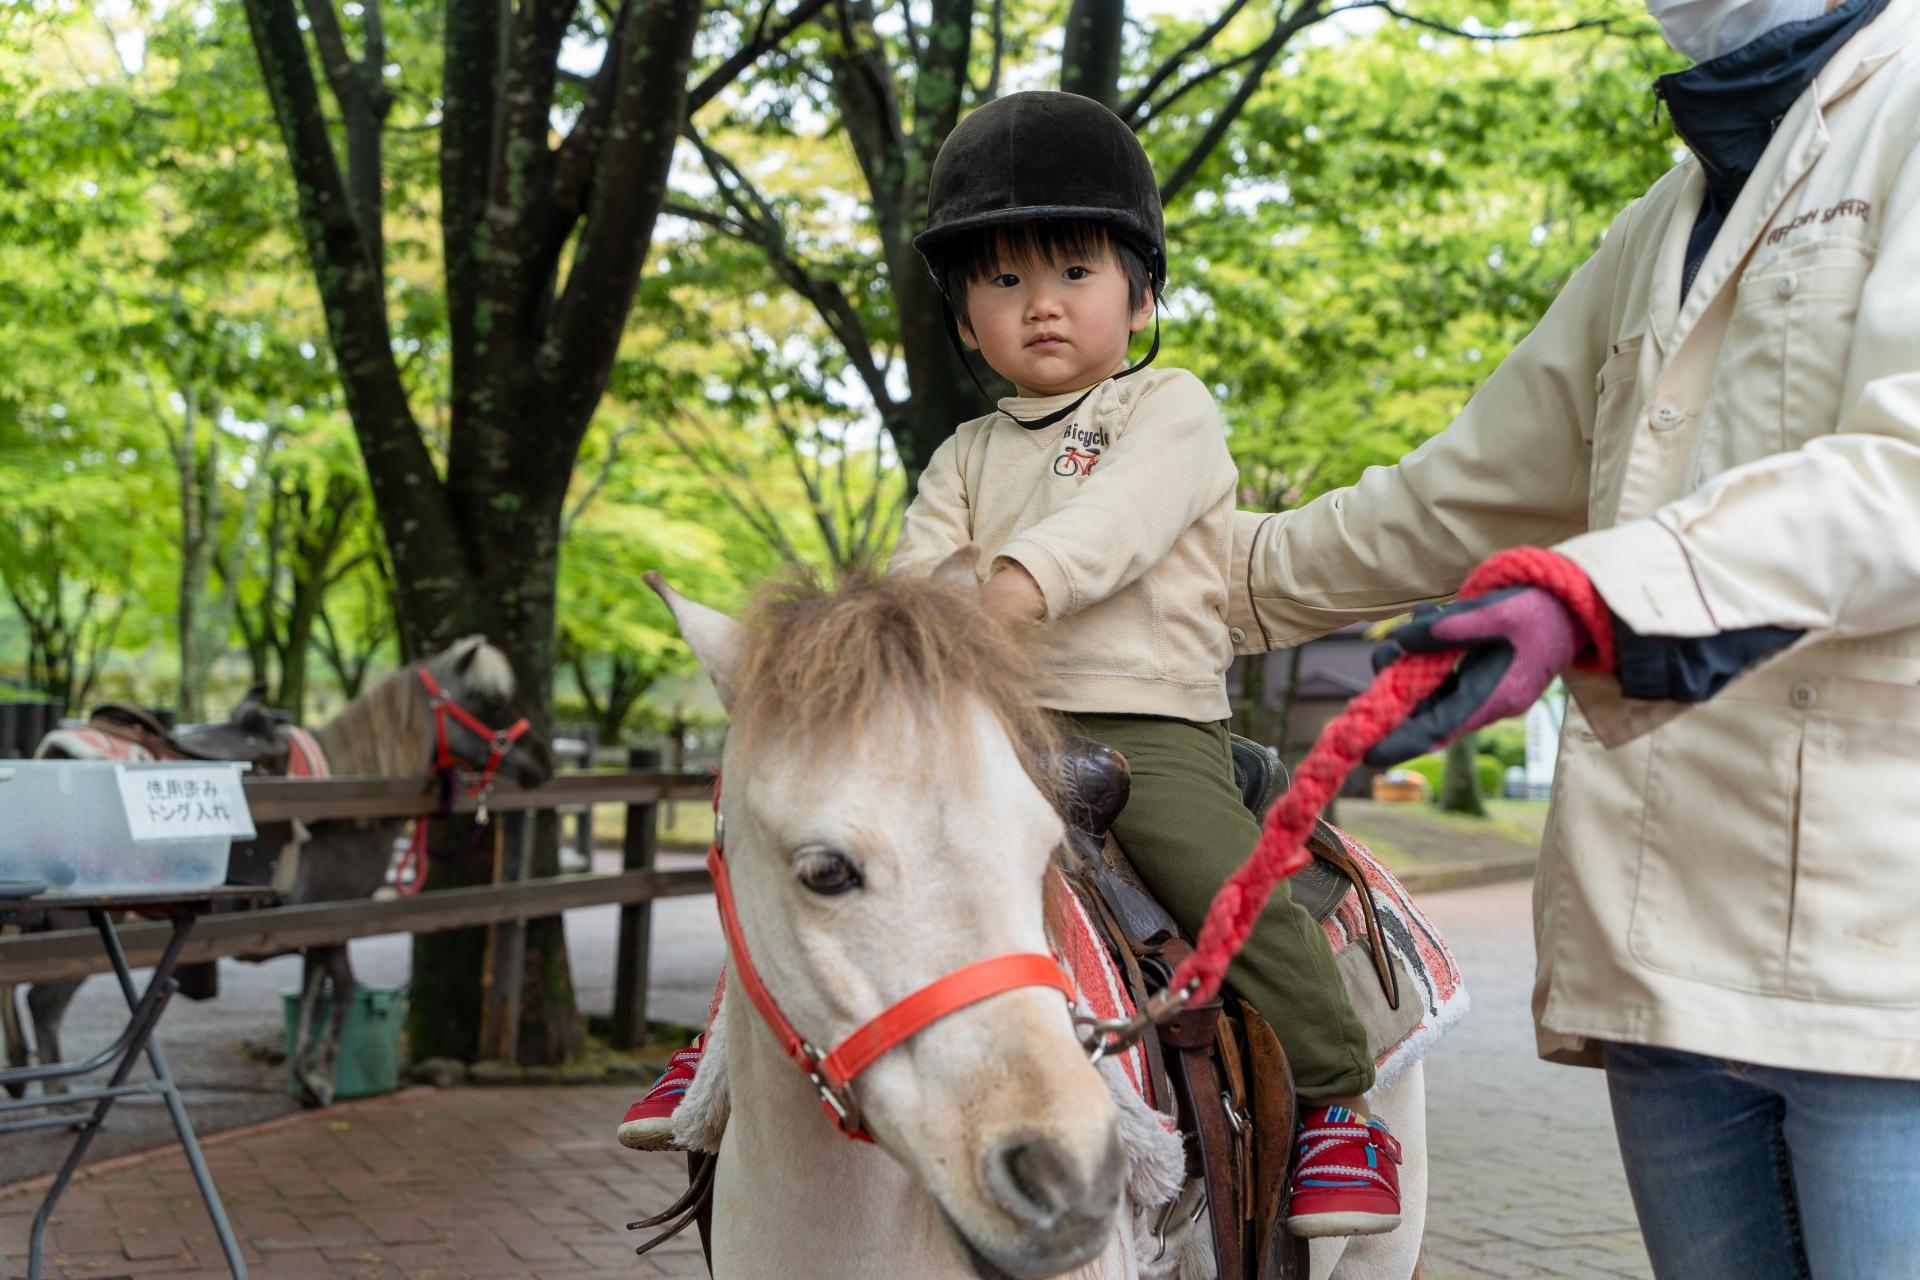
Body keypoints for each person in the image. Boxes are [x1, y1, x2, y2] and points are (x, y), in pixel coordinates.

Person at [621, 91, 1403, 1239]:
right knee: (827, 865)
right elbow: (918, 575)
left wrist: (1012, 586)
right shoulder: (965, 454)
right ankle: (724, 1056)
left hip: (1144, 725)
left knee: (1225, 883)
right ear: (964, 319)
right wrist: (908, 641)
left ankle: (1338, 1095)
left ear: (1141, 295)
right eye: (1001, 281)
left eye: (1076, 271)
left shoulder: (1169, 409)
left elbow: (1118, 522)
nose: (1041, 302)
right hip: (986, 731)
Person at [1225, 0, 1920, 1274]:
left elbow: (1906, 473)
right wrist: (1178, 575)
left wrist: (1590, 596)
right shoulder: (1661, 220)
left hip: (1879, 967)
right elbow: (1454, 496)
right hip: (1661, 959)